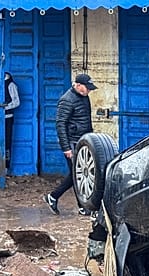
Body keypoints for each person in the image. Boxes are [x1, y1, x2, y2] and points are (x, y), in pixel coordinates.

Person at [44, 73, 96, 215]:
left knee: (78, 175)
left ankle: (77, 205)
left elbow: (86, 120)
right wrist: (66, 147)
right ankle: (54, 197)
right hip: (72, 143)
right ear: (78, 85)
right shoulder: (67, 100)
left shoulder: (84, 97)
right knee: (77, 175)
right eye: (87, 88)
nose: (89, 91)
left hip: (84, 141)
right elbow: (60, 124)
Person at [2, 72, 20, 169]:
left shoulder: (11, 85)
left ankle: (6, 168)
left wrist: (4, 108)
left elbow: (16, 102)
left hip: (7, 118)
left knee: (7, 143)